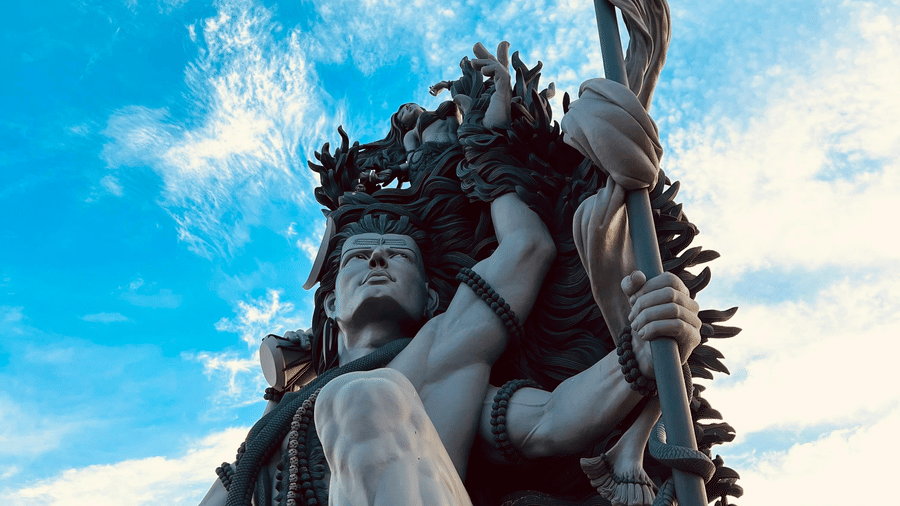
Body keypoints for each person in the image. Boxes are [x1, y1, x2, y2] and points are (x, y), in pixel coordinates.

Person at [200, 42, 702, 506]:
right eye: (357, 256)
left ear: (431, 299)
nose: (377, 259)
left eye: (398, 255)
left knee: (364, 396)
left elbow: (549, 416)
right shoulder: (263, 449)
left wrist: (635, 356)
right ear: (329, 304)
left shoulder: (442, 360)